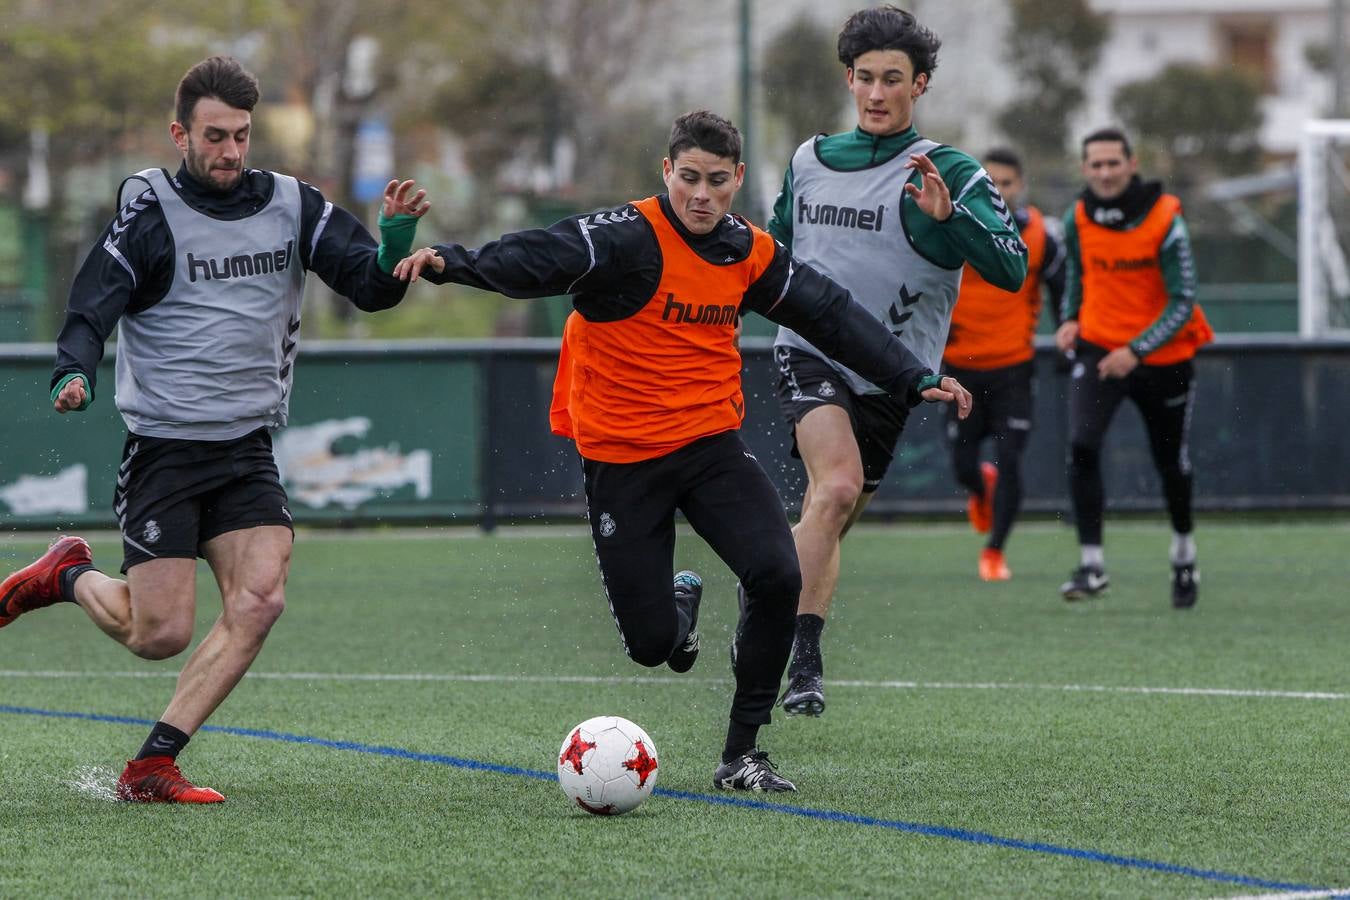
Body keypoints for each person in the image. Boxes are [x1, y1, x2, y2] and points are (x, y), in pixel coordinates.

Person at [395, 110, 972, 793]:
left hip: (709, 448)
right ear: (667, 172)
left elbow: (830, 312)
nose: (701, 195)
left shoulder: (747, 250)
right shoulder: (625, 237)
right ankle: (679, 612)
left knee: (778, 573)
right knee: (650, 646)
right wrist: (450, 262)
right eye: (689, 178)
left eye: (718, 181)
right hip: (622, 460)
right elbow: (537, 258)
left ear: (736, 183)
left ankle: (742, 754)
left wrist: (913, 373)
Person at [0, 56, 430, 802]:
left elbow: (368, 288)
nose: (231, 152)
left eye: (241, 136)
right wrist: (74, 370)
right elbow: (91, 306)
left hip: (245, 448)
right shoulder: (150, 217)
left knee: (260, 600)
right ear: (180, 134)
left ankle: (152, 765)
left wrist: (391, 249)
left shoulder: (293, 205)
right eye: (215, 136)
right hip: (165, 450)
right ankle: (66, 574)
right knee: (156, 634)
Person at [767, 6, 1028, 717]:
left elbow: (1011, 268)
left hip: (895, 375)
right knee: (839, 488)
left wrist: (952, 221)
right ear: (848, 80)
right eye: (865, 78)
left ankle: (761, 593)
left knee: (828, 518)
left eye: (893, 79)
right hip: (809, 353)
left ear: (921, 86)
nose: (877, 93)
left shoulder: (952, 171)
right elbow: (769, 254)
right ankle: (804, 663)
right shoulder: (808, 161)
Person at [1055, 127, 1213, 608]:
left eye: (1112, 163)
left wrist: (1137, 351)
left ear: (1132, 163)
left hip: (1162, 358)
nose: (1104, 173)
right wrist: (1068, 320)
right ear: (1085, 169)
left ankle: (1184, 554)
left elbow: (1184, 301)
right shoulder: (1077, 217)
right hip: (1099, 350)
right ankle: (1092, 566)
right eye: (1095, 165)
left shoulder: (1165, 219)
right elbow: (1077, 280)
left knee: (1171, 465)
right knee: (1082, 445)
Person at [942, 147, 1065, 582]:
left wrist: (1069, 327)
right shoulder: (954, 227)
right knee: (962, 461)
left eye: (1006, 182)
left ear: (1021, 185)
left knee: (1011, 458)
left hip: (1014, 366)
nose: (997, 190)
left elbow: (1062, 287)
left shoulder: (1042, 235)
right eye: (989, 181)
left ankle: (994, 550)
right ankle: (980, 487)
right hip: (960, 367)